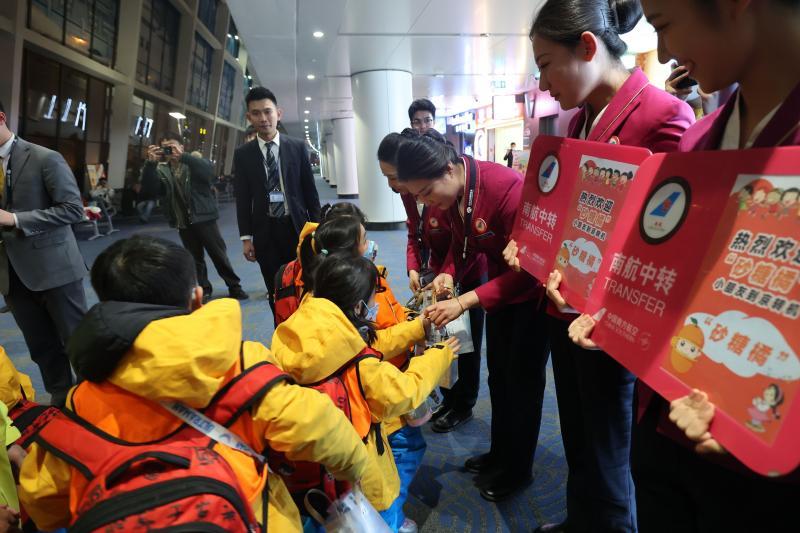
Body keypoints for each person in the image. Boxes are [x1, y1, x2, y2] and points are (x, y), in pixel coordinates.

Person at [570, 0, 800, 530]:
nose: (667, 51)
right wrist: (612, 314)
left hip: (764, 466)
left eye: (668, 26)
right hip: (666, 422)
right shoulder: (699, 141)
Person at [17, 235, 378, 532]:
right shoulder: (243, 363)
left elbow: (43, 500)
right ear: (196, 297)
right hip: (251, 516)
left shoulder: (83, 398)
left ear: (109, 306)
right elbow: (321, 429)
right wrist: (355, 470)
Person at [504, 2, 695, 531]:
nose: (543, 83)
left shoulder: (662, 115)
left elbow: (671, 245)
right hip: (564, 306)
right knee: (578, 435)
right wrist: (533, 244)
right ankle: (580, 519)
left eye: (545, 64)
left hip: (613, 322)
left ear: (588, 47)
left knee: (613, 449)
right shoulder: (573, 119)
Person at [396, 129, 549, 503]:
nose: (426, 203)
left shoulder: (505, 189)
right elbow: (460, 246)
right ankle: (500, 453)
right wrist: (449, 271)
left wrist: (465, 301)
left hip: (529, 298)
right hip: (498, 295)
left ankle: (518, 469)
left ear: (449, 170)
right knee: (498, 377)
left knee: (522, 386)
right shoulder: (456, 194)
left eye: (427, 193)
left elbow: (529, 271)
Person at [269, 254, 457, 531]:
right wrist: (439, 356)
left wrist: (417, 327)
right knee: (382, 516)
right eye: (372, 301)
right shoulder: (360, 363)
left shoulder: (291, 335)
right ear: (358, 307)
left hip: (307, 473)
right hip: (359, 474)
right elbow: (404, 392)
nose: (374, 308)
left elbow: (379, 342)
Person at [378, 132, 486, 433]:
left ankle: (463, 404)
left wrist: (447, 274)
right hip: (434, 274)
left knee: (465, 343)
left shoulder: (444, 189)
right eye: (386, 176)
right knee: (439, 336)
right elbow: (414, 231)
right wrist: (414, 267)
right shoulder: (408, 191)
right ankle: (448, 399)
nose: (392, 184)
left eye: (394, 176)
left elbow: (461, 241)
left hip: (464, 271)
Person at [0, 99, 87, 408]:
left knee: (78, 343)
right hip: (11, 277)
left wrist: (17, 220)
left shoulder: (44, 158)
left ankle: (96, 403)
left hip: (55, 269)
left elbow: (72, 210)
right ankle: (62, 403)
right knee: (41, 348)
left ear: (1, 118)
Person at [234, 87, 321, 319]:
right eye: (256, 113)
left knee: (306, 284)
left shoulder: (296, 147)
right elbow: (242, 198)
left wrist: (318, 230)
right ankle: (282, 330)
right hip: (265, 232)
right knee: (275, 289)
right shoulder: (243, 154)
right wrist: (246, 238)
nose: (263, 118)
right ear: (249, 118)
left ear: (278, 113)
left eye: (267, 111)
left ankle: (309, 330)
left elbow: (310, 192)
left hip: (297, 229)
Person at [142, 132, 248, 303]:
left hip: (204, 218)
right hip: (183, 221)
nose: (169, 150)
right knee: (195, 258)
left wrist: (183, 157)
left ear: (182, 147)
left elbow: (208, 173)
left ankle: (234, 286)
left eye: (172, 146)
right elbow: (149, 190)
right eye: (165, 147)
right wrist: (149, 164)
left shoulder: (193, 162)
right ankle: (205, 289)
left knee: (218, 254)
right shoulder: (162, 170)